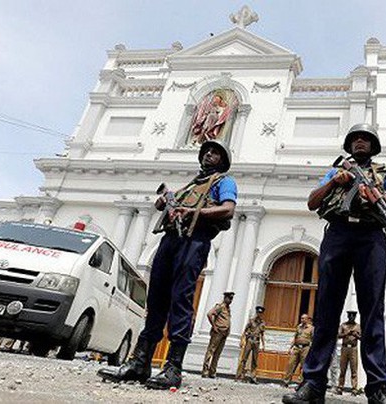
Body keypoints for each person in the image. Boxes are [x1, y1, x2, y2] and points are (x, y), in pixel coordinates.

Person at [283, 123, 386, 404]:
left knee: (373, 311)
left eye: (366, 139)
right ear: (349, 145)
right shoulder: (335, 171)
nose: (360, 142)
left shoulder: (385, 173)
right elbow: (312, 203)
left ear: (373, 146)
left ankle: (377, 387)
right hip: (338, 234)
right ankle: (313, 383)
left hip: (371, 237)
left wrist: (379, 197)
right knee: (326, 310)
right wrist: (334, 182)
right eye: (356, 139)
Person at [98, 140, 237, 390]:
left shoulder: (223, 182)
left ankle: (173, 367)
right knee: (156, 300)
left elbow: (228, 210)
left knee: (181, 299)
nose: (208, 155)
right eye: (205, 151)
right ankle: (140, 363)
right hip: (170, 241)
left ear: (223, 160)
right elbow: (165, 207)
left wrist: (192, 212)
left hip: (194, 241)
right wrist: (165, 203)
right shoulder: (191, 185)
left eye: (214, 153)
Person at [202, 291, 234, 378]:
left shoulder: (228, 308)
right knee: (211, 351)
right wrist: (214, 326)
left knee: (217, 353)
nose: (231, 300)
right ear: (225, 298)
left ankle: (212, 372)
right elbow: (209, 314)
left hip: (224, 333)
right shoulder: (220, 307)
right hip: (218, 332)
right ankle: (205, 371)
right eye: (229, 298)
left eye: (232, 299)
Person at [236, 306, 266, 383]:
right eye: (258, 312)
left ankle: (253, 377)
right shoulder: (251, 321)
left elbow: (262, 334)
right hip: (250, 340)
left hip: (257, 342)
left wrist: (263, 345)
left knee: (255, 360)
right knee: (244, 358)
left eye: (261, 313)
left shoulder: (262, 323)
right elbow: (244, 331)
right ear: (256, 313)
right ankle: (239, 376)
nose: (259, 314)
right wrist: (242, 340)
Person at [282, 313, 314, 387]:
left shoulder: (311, 328)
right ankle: (286, 381)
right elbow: (295, 338)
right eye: (301, 318)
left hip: (305, 348)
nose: (302, 320)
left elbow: (313, 339)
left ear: (307, 319)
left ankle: (301, 383)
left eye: (304, 318)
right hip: (296, 347)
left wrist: (311, 349)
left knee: (303, 366)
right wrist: (290, 348)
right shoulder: (298, 327)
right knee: (291, 364)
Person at [335, 311, 361, 395]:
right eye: (350, 316)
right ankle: (340, 387)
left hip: (353, 348)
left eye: (353, 316)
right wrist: (346, 334)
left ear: (355, 317)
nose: (351, 317)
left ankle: (354, 389)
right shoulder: (343, 325)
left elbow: (362, 338)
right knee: (343, 368)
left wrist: (356, 335)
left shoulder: (358, 326)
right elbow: (338, 335)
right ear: (348, 316)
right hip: (344, 347)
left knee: (354, 369)